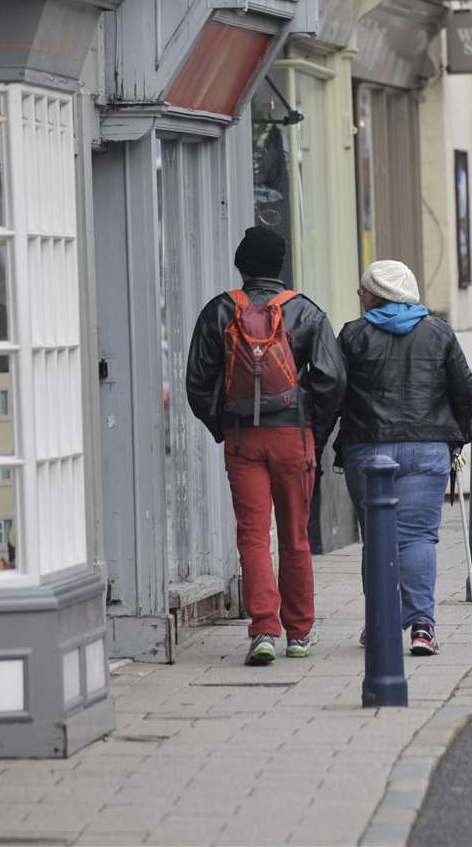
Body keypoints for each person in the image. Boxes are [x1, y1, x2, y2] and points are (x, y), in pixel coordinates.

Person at [185, 227, 346, 665]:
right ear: (280, 267)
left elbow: (197, 383)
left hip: (243, 439)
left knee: (253, 536)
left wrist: (224, 426)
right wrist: (315, 430)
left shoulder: (220, 311)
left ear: (242, 267)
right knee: (295, 536)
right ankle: (299, 634)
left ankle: (262, 632)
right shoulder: (305, 312)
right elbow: (333, 380)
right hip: (293, 437)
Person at [335, 260, 472, 656]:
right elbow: (465, 390)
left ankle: (381, 623)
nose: (360, 297)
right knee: (417, 537)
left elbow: (332, 391)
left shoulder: (353, 335)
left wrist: (321, 438)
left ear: (376, 294)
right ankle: (421, 627)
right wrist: (458, 438)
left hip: (367, 448)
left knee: (377, 539)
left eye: (363, 290)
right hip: (427, 448)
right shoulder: (438, 333)